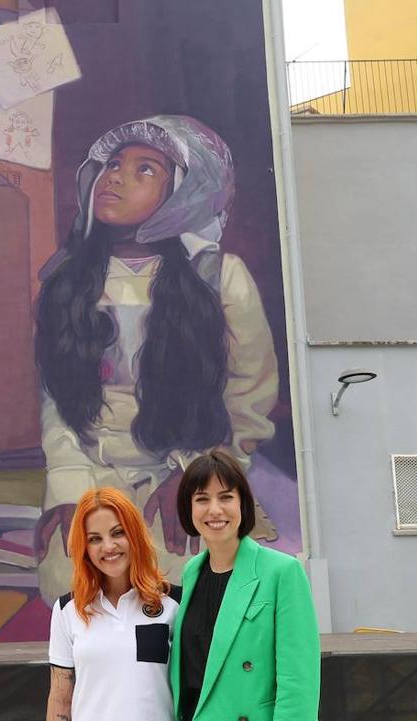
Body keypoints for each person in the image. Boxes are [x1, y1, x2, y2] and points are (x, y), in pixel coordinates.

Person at [33, 115, 282, 603]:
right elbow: (56, 398)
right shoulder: (67, 280)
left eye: (144, 169)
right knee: (77, 589)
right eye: (112, 164)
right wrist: (69, 488)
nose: (116, 176)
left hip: (184, 469)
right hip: (90, 471)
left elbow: (248, 397)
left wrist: (199, 476)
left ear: (185, 195)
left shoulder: (220, 278)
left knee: (185, 592)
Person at [170, 451, 337, 721]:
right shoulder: (192, 572)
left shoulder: (281, 572)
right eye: (202, 499)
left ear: (243, 504)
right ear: (188, 509)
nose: (215, 509)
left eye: (226, 497)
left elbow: (298, 686)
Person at [45, 486, 185, 721]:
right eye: (95, 539)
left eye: (117, 533)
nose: (108, 547)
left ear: (135, 535)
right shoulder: (67, 611)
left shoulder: (174, 605)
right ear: (83, 548)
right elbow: (60, 702)